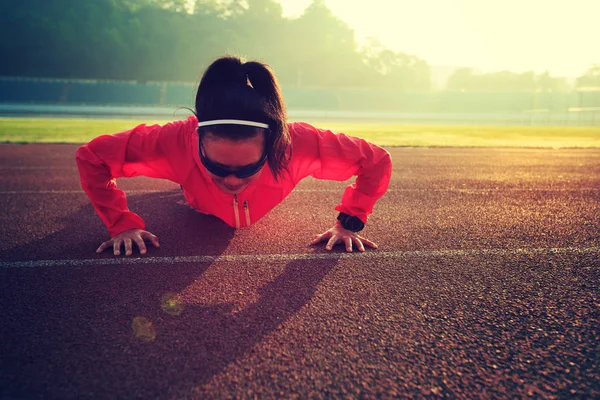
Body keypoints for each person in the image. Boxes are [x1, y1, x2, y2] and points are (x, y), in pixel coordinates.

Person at [76, 55, 392, 256]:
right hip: (197, 199)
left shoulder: (297, 143)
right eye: (216, 165)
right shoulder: (173, 141)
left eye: (245, 168)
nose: (230, 179)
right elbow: (92, 156)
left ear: (272, 144)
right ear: (197, 138)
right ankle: (190, 184)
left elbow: (376, 161)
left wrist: (349, 222)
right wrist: (121, 224)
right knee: (191, 191)